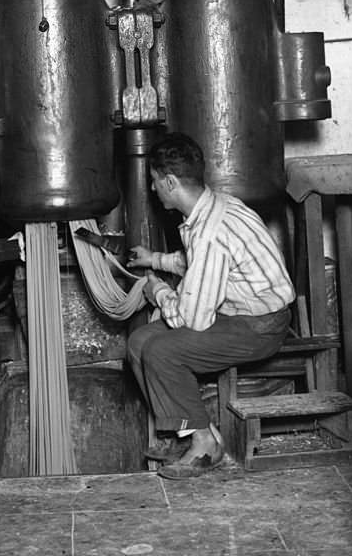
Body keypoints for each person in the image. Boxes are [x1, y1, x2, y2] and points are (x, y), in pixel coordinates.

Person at [127, 131, 294, 479]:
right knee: (139, 342)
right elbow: (197, 264)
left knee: (162, 351)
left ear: (170, 181)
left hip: (260, 327)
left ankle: (205, 445)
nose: (154, 190)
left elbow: (194, 318)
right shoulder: (212, 206)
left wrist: (156, 292)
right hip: (239, 315)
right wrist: (154, 260)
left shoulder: (210, 231)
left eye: (156, 182)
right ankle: (189, 431)